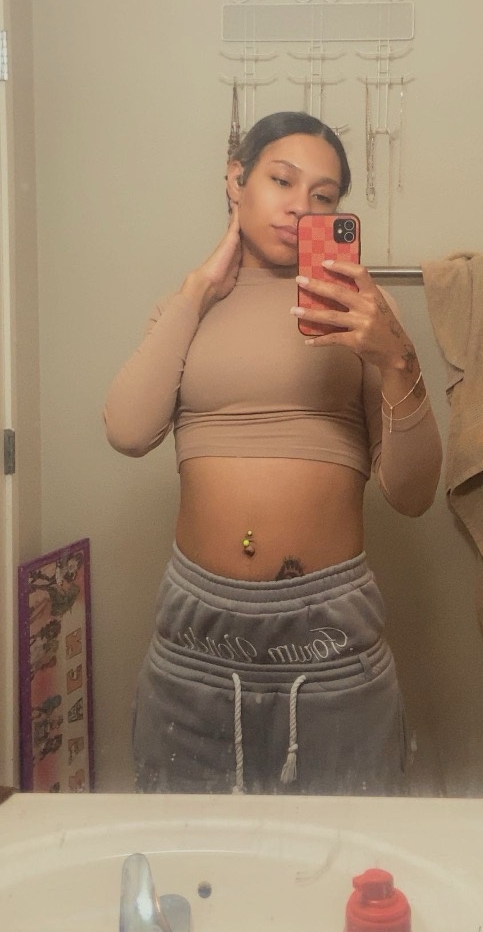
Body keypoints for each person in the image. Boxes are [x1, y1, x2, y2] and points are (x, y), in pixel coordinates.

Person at [103, 111, 443, 795]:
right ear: (237, 181)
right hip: (196, 638)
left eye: (323, 195)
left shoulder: (363, 312)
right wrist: (199, 289)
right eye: (281, 180)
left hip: (331, 639)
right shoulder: (189, 306)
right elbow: (128, 430)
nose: (299, 206)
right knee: (194, 851)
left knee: (343, 850)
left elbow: (412, 494)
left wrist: (396, 359)